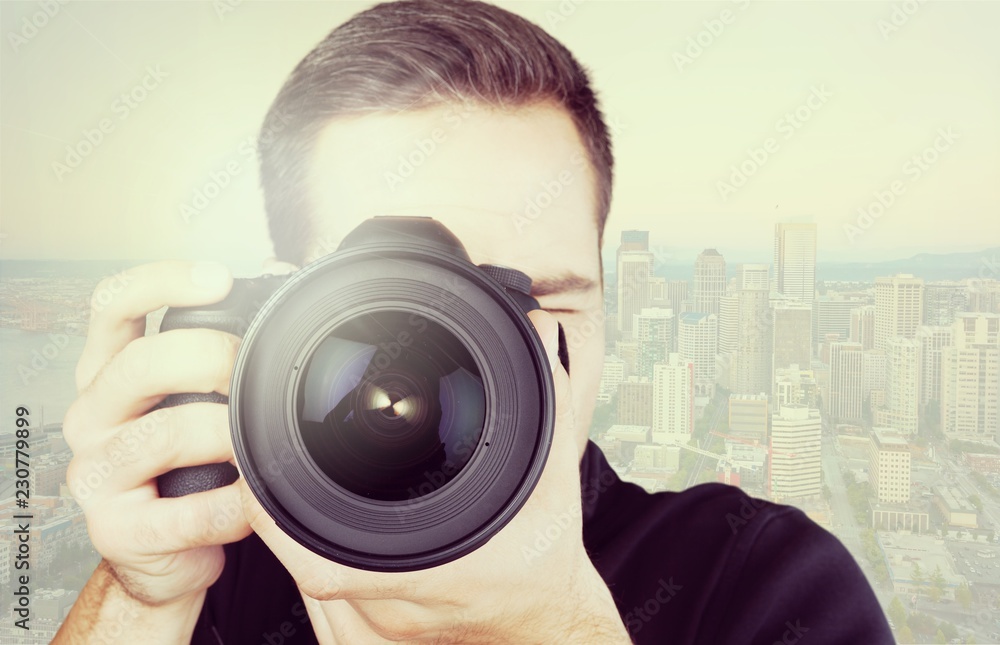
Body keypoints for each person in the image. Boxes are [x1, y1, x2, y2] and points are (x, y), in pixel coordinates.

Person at [54, 1, 895, 643]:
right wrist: (140, 594)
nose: (492, 370)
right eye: (400, 312)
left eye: (541, 309)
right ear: (274, 315)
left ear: (602, 309)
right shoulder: (221, 555)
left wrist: (558, 624)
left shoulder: (751, 580)